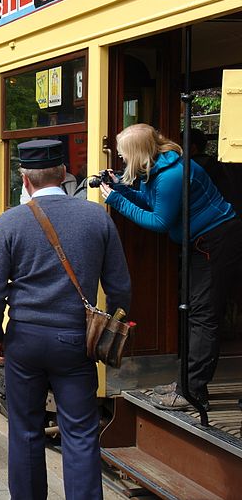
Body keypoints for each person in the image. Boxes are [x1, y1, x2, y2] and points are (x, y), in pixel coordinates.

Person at [0, 139, 132, 500]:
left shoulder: (10, 222)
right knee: (80, 434)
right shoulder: (97, 217)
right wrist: (108, 327)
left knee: (26, 431)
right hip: (75, 341)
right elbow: (121, 290)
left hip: (24, 341)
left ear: (24, 179)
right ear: (64, 174)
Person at [102, 123, 242, 411]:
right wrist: (120, 189)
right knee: (193, 313)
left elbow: (159, 221)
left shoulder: (172, 175)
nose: (122, 159)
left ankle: (191, 392)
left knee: (202, 317)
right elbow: (153, 203)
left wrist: (116, 200)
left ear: (138, 153)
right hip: (204, 243)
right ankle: (184, 383)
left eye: (124, 154)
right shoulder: (162, 167)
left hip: (214, 243)